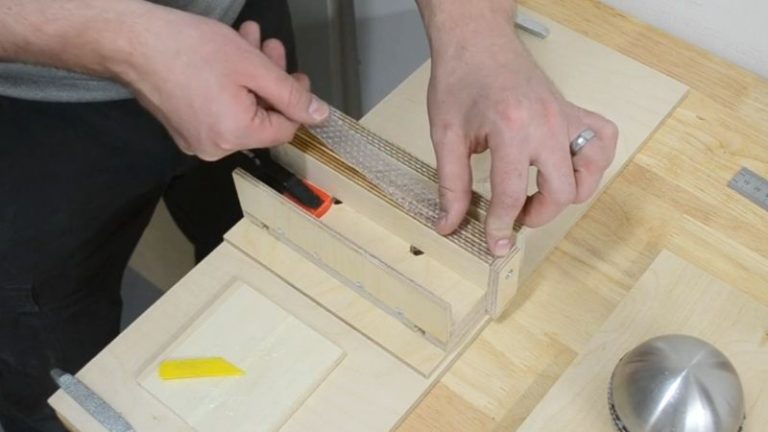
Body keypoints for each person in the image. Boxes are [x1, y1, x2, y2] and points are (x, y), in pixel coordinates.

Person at [0, 0, 618, 430]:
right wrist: (129, 45)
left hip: (235, 36)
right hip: (27, 111)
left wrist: (476, 35)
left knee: (268, 270)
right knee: (54, 379)